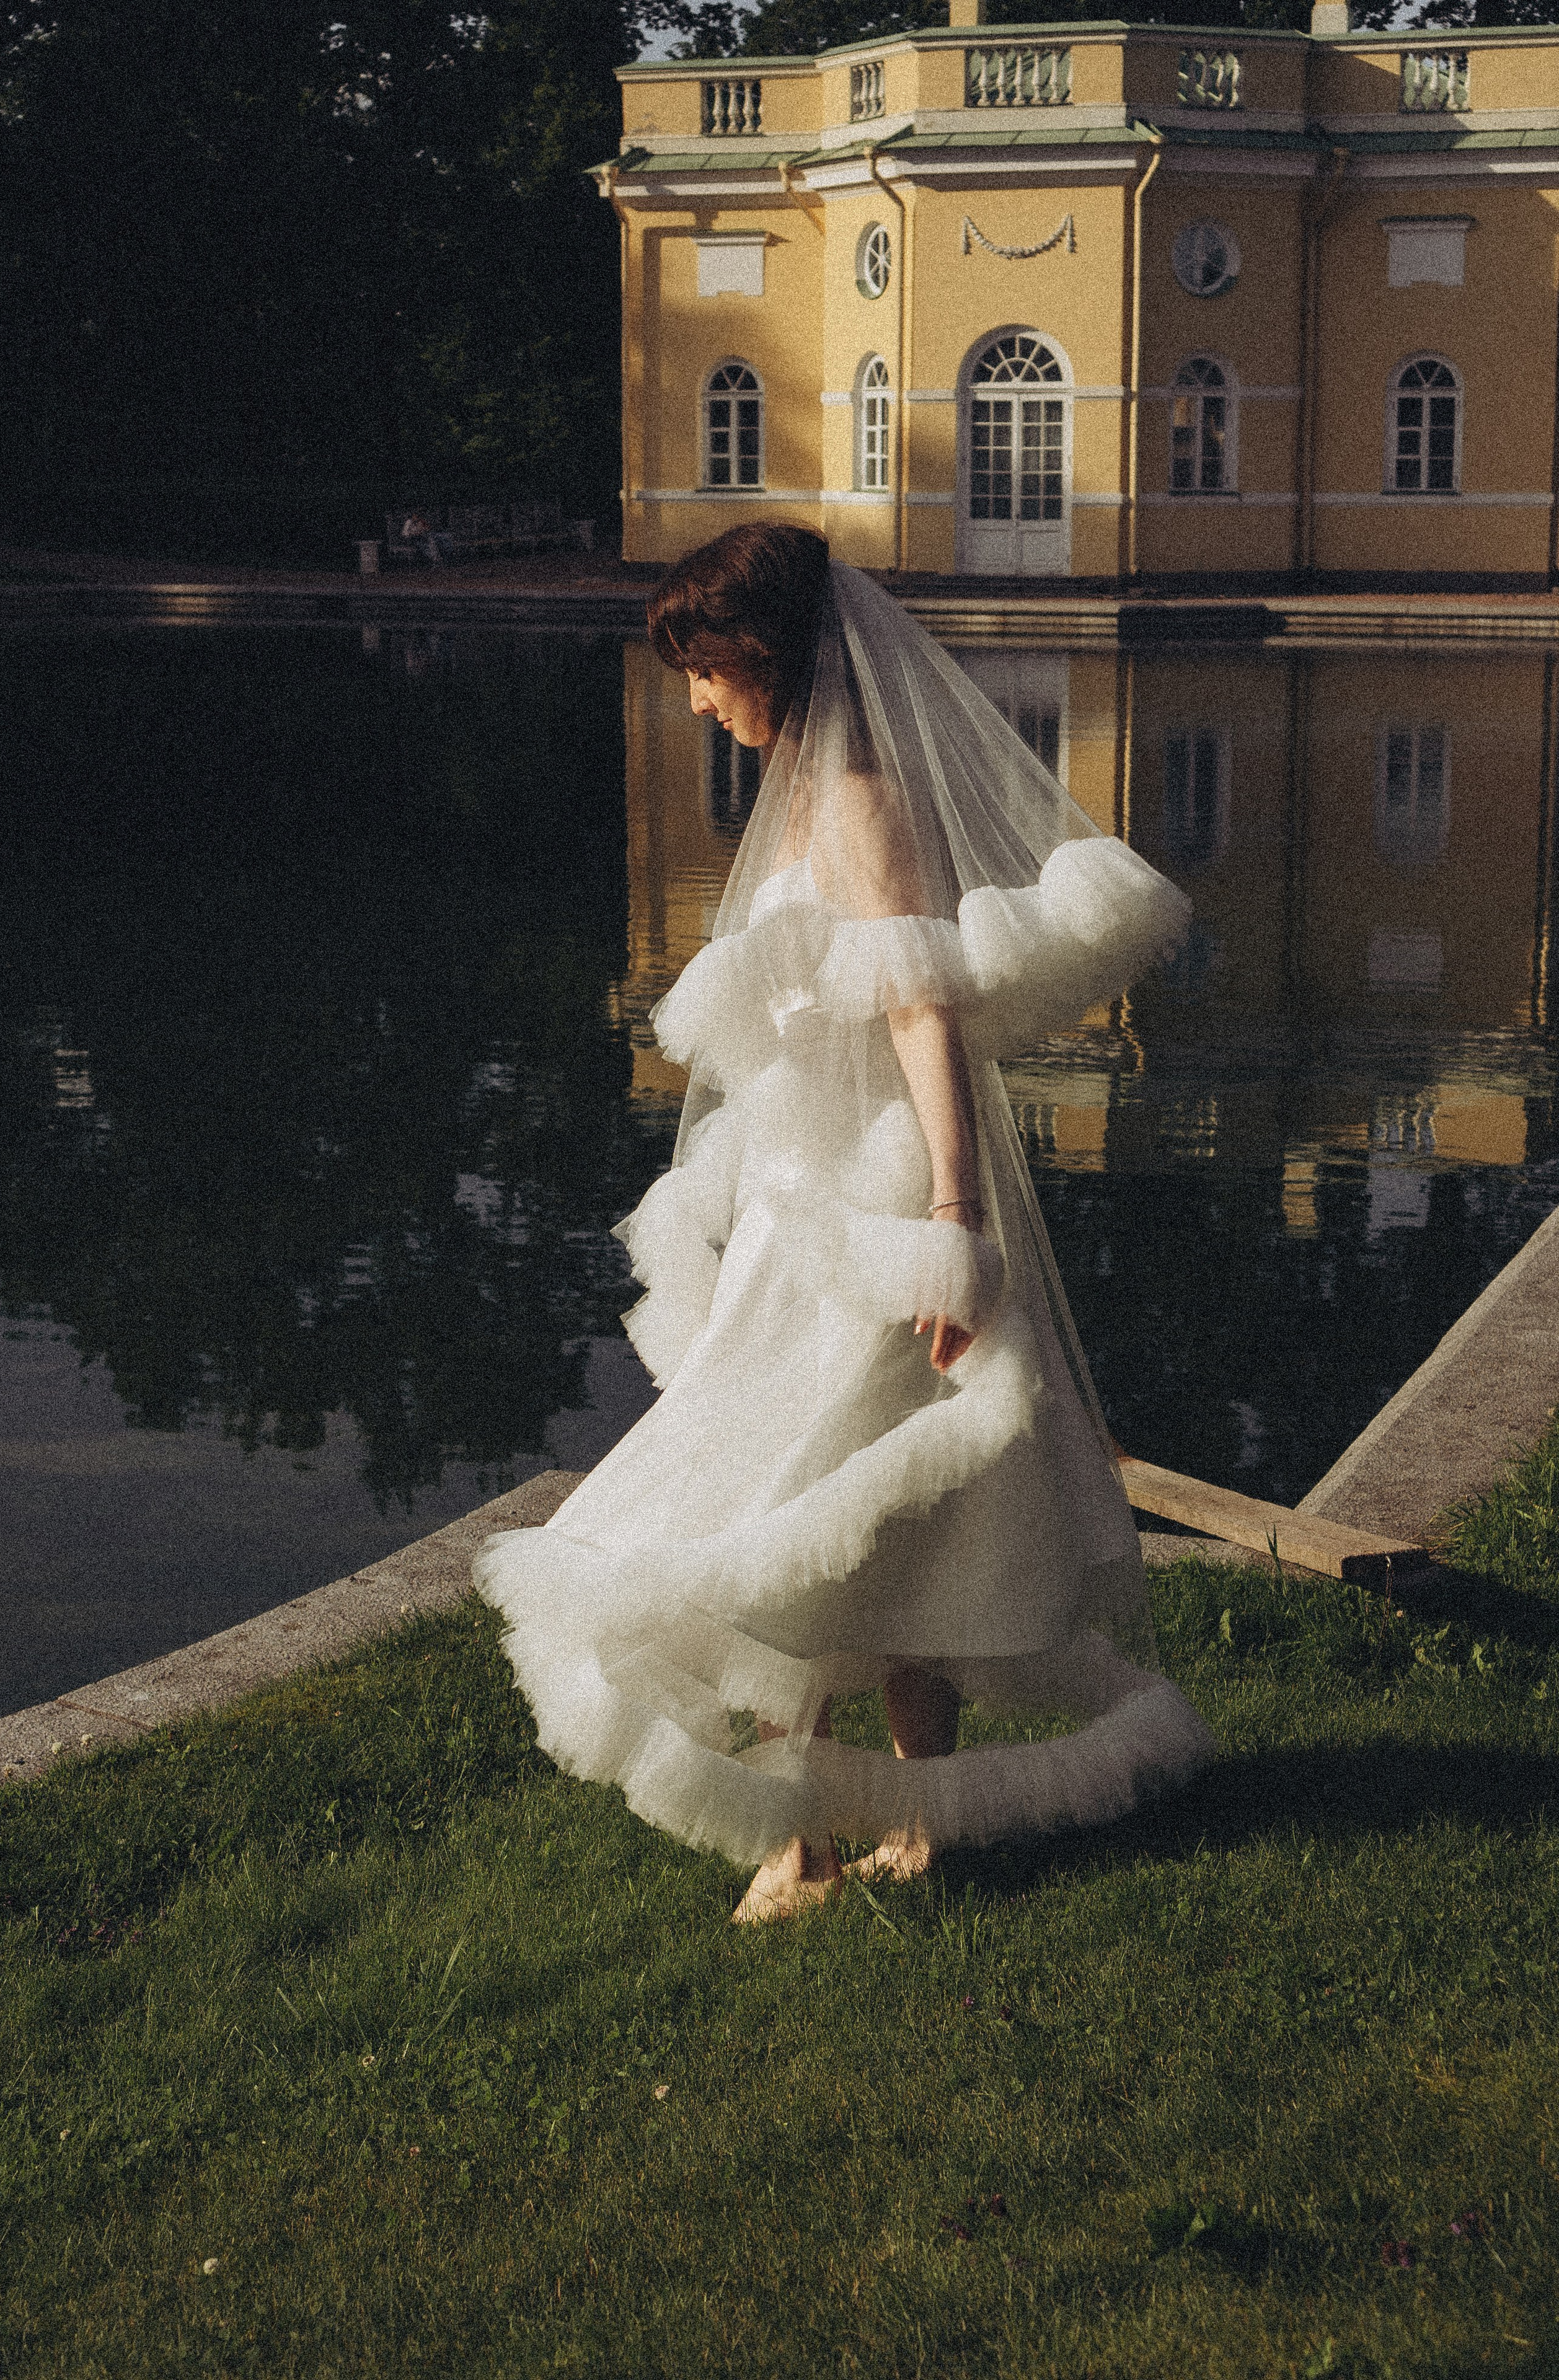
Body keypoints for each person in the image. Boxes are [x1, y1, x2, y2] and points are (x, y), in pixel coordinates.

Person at [475, 524, 1214, 1921]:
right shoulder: (798, 793)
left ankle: (836, 1833)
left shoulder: (863, 802)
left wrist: (949, 1216)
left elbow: (926, 1014)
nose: (698, 699)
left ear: (763, 654)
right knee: (826, 1494)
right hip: (798, 1193)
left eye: (706, 671)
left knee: (853, 1500)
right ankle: (846, 1826)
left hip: (874, 1195)